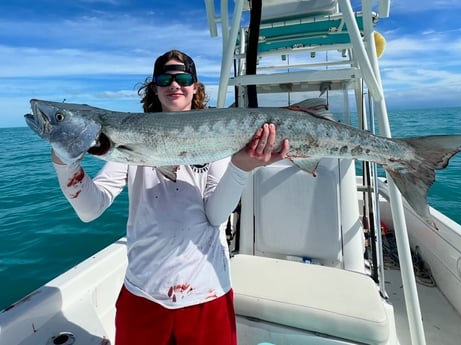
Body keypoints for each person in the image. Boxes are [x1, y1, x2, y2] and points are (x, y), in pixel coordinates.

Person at [51, 49, 289, 345]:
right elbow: (91, 208)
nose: (174, 84)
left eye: (183, 77)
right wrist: (65, 163)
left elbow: (215, 217)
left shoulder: (218, 135)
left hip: (208, 292)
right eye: (165, 78)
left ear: (195, 87)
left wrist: (241, 167)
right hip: (143, 294)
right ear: (154, 88)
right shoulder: (127, 135)